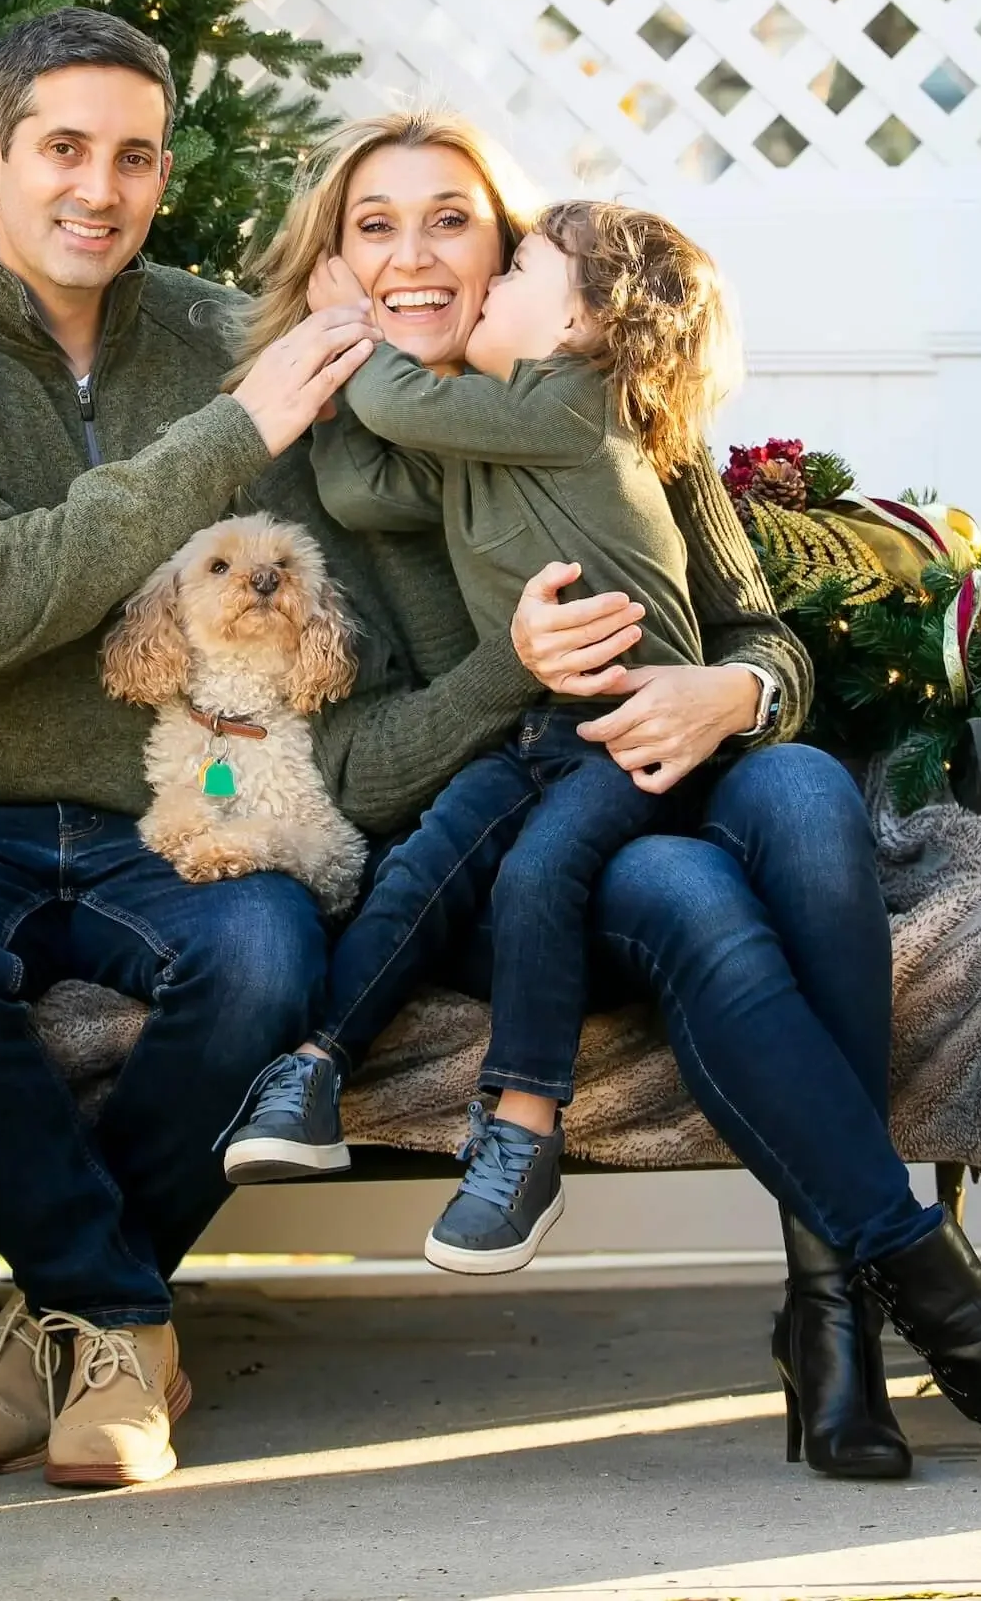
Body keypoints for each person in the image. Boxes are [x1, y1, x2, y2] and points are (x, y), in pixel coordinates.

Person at [236, 108, 981, 1484]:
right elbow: (355, 770)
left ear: (506, 257)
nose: (417, 256)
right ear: (331, 262)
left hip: (676, 766)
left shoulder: (603, 404)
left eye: (451, 222)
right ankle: (950, 1334)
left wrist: (732, 696)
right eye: (375, 227)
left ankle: (832, 1310)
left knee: (794, 790)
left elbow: (761, 634)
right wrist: (514, 666)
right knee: (683, 887)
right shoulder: (323, 463)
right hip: (512, 847)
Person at [0, 7, 390, 1488]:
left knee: (265, 952)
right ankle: (121, 1316)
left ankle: (41, 1321)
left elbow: (361, 529)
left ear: (163, 173)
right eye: (62, 148)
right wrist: (225, 433)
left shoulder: (212, 336)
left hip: (164, 813)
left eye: (134, 157)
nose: (99, 188)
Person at [224, 202, 738, 1273]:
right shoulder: (489, 436)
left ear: (582, 324)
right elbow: (362, 485)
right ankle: (314, 1069)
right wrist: (327, 398)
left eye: (515, 276)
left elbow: (398, 400)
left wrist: (346, 323)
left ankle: (521, 1136)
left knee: (537, 873)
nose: (490, 286)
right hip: (547, 726)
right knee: (422, 866)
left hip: (641, 731)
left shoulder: (571, 404)